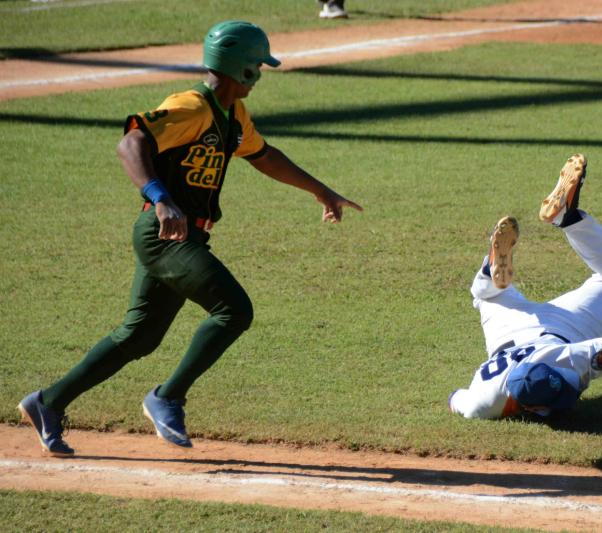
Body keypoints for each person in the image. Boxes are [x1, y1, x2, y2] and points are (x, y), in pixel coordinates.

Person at [17, 20, 363, 456]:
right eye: (258, 63)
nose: (261, 71)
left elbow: (264, 156)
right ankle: (167, 398)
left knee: (139, 336)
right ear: (243, 68)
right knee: (233, 310)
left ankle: (47, 403)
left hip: (184, 239)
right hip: (163, 235)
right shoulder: (192, 106)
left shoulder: (232, 115)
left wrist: (321, 190)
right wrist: (160, 198)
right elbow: (132, 142)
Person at [449, 154, 602, 424]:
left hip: (563, 331)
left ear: (531, 408)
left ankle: (557, 225)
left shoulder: (566, 361)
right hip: (505, 327)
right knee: (487, 296)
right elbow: (454, 398)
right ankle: (491, 276)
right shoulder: (482, 402)